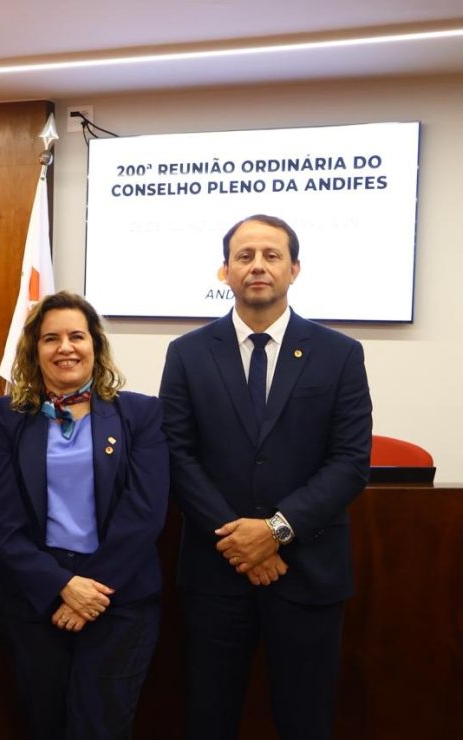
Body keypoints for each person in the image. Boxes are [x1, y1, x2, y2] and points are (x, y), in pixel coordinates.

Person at [159, 214, 373, 740]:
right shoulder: (186, 354)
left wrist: (273, 531)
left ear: (294, 269)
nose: (257, 266)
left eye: (271, 256)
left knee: (306, 720)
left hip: (307, 572)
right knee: (209, 717)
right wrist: (239, 542)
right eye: (244, 256)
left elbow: (350, 461)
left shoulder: (340, 354)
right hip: (216, 574)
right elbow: (177, 455)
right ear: (224, 271)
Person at [0, 291, 168, 740]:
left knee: (100, 727)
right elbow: (1, 523)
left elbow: (144, 513)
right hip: (37, 601)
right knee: (43, 723)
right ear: (34, 350)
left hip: (119, 601)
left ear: (96, 346)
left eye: (76, 336)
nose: (65, 347)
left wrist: (90, 591)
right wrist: (61, 586)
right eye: (51, 338)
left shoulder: (139, 414)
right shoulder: (8, 417)